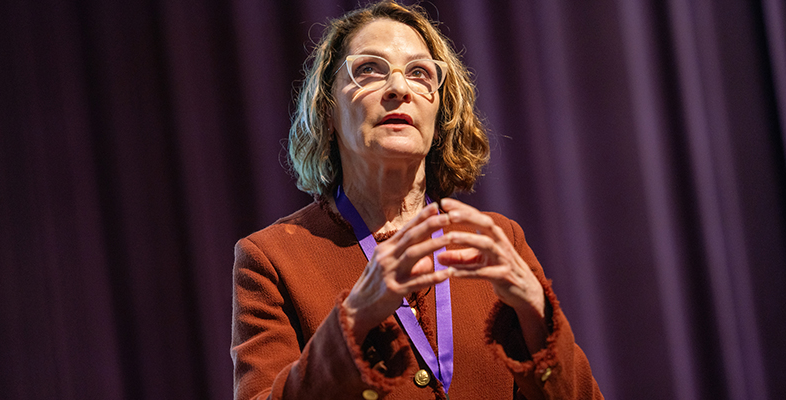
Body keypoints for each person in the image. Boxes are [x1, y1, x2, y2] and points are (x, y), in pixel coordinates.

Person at [231, 1, 603, 399]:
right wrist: (354, 320)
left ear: (440, 111)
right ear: (326, 109)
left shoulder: (498, 242)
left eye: (420, 73)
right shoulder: (272, 259)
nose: (399, 88)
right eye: (368, 70)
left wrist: (536, 312)